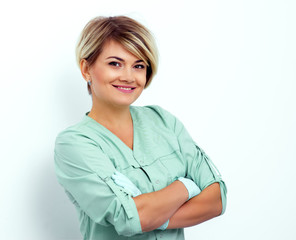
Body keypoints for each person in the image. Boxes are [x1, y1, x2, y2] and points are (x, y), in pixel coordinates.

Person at [54, 15, 227, 240]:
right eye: (115, 63)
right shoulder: (74, 144)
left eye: (138, 66)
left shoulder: (164, 122)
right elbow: (127, 218)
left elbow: (217, 199)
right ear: (86, 69)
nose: (128, 77)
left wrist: (150, 215)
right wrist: (186, 185)